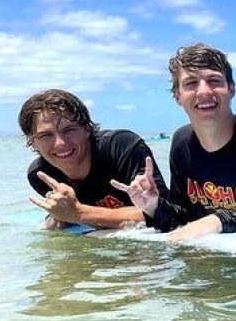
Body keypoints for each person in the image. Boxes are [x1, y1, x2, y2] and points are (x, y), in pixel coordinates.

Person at [112, 44, 236, 240]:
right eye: (191, 83)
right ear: (177, 95)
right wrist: (153, 206)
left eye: (214, 80)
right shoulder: (181, 142)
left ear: (231, 88)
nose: (203, 92)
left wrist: (220, 220)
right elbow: (183, 220)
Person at [19, 89, 168, 229]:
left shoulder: (121, 148)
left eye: (69, 130)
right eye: (46, 135)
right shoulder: (40, 175)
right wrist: (60, 217)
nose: (60, 143)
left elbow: (167, 212)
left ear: (88, 128)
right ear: (33, 141)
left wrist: (78, 213)